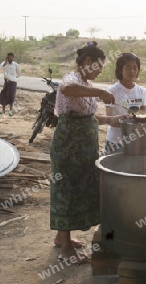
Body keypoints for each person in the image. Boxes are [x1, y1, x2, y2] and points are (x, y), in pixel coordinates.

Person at [50, 41, 125, 262]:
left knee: (78, 189)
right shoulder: (72, 79)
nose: (101, 70)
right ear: (88, 62)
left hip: (85, 148)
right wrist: (100, 91)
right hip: (68, 146)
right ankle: (66, 250)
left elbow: (92, 118)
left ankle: (61, 238)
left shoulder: (87, 83)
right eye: (99, 65)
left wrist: (115, 120)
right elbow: (66, 89)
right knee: (66, 190)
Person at [104, 52, 146, 154]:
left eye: (135, 68)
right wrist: (134, 122)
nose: (132, 71)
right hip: (115, 143)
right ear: (120, 69)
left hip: (137, 141)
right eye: (127, 67)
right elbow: (110, 120)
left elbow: (143, 115)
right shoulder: (112, 91)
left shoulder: (142, 91)